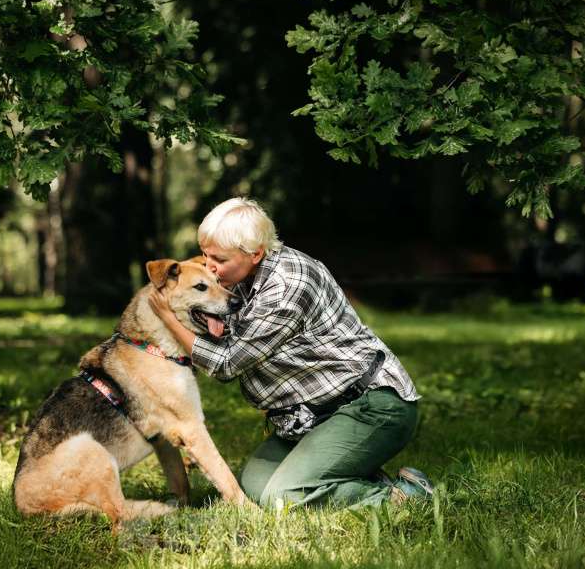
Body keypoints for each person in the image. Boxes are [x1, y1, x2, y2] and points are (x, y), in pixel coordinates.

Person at [148, 197, 432, 508]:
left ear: (255, 253)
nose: (209, 267)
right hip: (314, 415)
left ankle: (406, 497)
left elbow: (227, 363)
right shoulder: (240, 278)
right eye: (205, 254)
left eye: (218, 259)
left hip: (369, 405)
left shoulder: (287, 285)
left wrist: (165, 316)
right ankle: (348, 474)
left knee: (282, 495)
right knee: (254, 486)